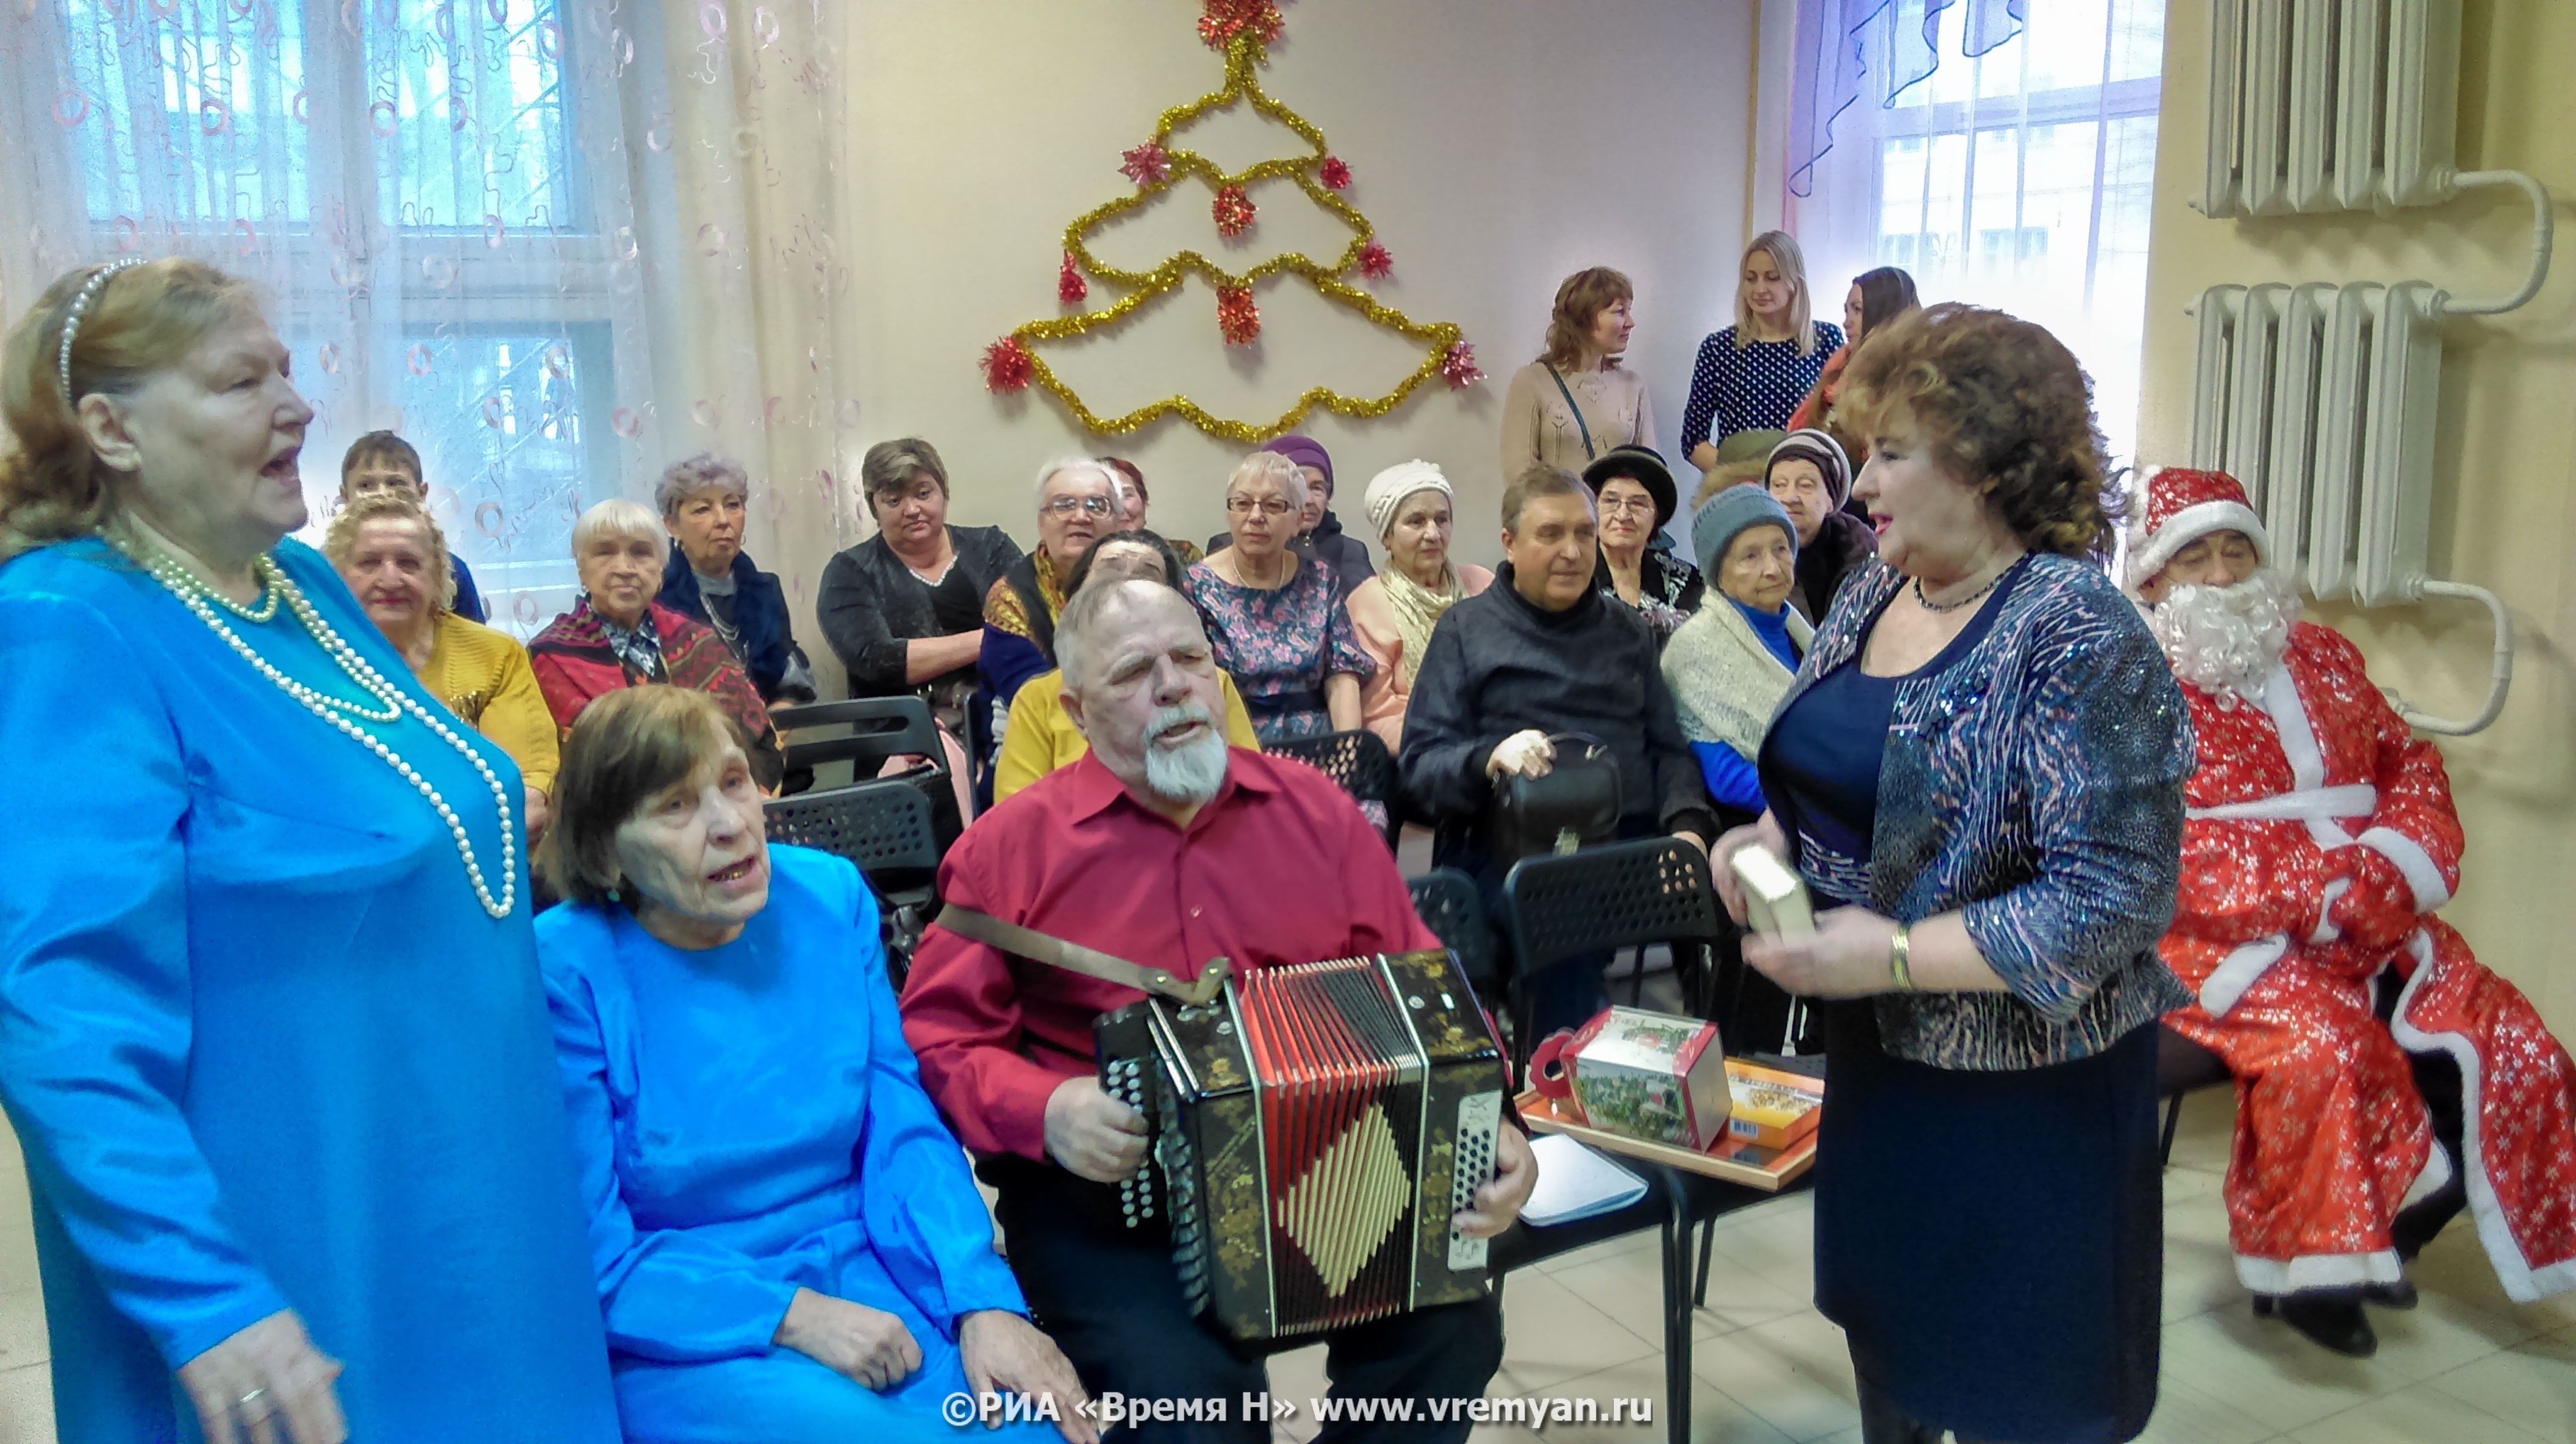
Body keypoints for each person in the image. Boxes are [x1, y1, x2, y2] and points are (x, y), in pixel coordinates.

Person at [0, 257, 619, 1442]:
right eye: (243, 380)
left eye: (286, 369)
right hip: (301, 1223)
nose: (297, 406)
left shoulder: (298, 584)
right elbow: (60, 1011)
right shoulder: (66, 622)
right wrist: (204, 1293)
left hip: (477, 1172)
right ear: (111, 427)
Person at [1710, 303, 2192, 1444]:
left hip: (2025, 1097)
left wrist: (1877, 950)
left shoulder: (2076, 633)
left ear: (1977, 464)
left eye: (1885, 451)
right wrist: (1764, 842)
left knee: (2015, 1380)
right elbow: (1822, 766)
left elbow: (2108, 898)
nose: (1855, 480)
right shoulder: (1882, 589)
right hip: (1884, 1066)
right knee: (1894, 1343)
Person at [900, 579, 1536, 1442]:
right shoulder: (1008, 852)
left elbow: (1422, 985)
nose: (1173, 686)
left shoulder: (1315, 809)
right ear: (1078, 715)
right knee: (1190, 1404)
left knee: (1452, 1337)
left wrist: (1489, 1121)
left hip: (1331, 1174)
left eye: (1192, 659)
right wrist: (1045, 1110)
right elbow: (935, 1040)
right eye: (1134, 673)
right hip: (1116, 1211)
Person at [534, 686, 1090, 1444]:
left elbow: (898, 1127)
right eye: (676, 806)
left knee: (1033, 1426)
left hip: (875, 1264)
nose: (730, 826)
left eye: (735, 783)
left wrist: (981, 1300)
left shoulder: (829, 899)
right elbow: (592, 1255)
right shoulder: (566, 967)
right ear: (605, 849)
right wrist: (790, 1317)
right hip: (696, 1317)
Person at [2128, 468, 2576, 1354]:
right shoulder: (2126, 682)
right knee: (2323, 1052)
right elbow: (2138, 838)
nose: (2222, 576)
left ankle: (2389, 1231)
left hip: (2377, 917)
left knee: (2516, 1046)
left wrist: (2389, 870)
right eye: (2195, 558)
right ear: (2151, 580)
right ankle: (2312, 1274)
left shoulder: (2326, 654)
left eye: (2236, 551)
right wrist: (2312, 894)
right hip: (2216, 936)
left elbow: (2408, 762)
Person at [1399, 463, 1714, 1037]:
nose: (1572, 551)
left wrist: (1688, 828)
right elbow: (1419, 771)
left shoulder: (1627, 630)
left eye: (1584, 534)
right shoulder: (1466, 632)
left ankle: (1688, 1072)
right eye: (1550, 534)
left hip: (1627, 846)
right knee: (1558, 921)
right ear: (1510, 543)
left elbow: (1669, 749)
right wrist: (1487, 757)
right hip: (1513, 853)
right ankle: (1575, 1085)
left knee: (1732, 902)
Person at [1659, 486, 1814, 1056]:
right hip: (1741, 836)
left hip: (1804, 825)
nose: (1773, 566)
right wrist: (1811, 804)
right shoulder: (1696, 648)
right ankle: (1740, 1081)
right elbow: (1721, 773)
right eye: (1750, 555)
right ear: (1718, 571)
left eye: (1781, 548)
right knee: (1751, 991)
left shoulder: (1803, 632)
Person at [325, 491, 560, 837]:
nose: (390, 579)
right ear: (338, 577)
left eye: (408, 563)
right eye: (369, 563)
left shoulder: (496, 656)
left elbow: (527, 793)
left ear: (437, 576)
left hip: (484, 858)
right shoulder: (309, 659)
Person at [530, 498, 784, 791]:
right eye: (605, 553)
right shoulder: (551, 655)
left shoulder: (696, 640)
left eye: (641, 553)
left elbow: (759, 741)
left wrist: (749, 798)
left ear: (661, 568)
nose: (624, 568)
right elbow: (576, 771)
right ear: (581, 569)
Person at [995, 530, 1259, 803]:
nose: (1126, 585)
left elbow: (1249, 780)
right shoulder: (1038, 698)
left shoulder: (1210, 681)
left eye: (1146, 576)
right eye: (1109, 575)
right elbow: (1019, 811)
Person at [1184, 451, 1373, 744]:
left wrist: (1347, 749)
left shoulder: (1321, 580)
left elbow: (1342, 674)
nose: (1256, 517)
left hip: (1317, 746)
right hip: (1232, 744)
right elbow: (1192, 683)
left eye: (1273, 506)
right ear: (1229, 514)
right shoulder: (1196, 585)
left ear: (1298, 521)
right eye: (1243, 504)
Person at [819, 438, 1025, 704]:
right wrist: (995, 637)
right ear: (875, 509)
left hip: (1005, 711)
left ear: (944, 494)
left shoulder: (991, 548)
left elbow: (1033, 622)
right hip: (904, 730)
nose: (912, 510)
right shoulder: (849, 571)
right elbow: (876, 659)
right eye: (893, 500)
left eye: (923, 494)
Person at [1343, 460, 1493, 752]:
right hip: (1420, 753)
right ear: (1387, 537)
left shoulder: (1482, 584)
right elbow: (1377, 714)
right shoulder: (1368, 604)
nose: (1433, 534)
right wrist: (1454, 747)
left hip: (1496, 737)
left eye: (1442, 519)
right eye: (1416, 522)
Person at [655, 452, 819, 707]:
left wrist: (777, 717)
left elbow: (790, 675)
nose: (723, 521)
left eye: (732, 505)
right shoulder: (657, 594)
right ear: (672, 525)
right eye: (703, 509)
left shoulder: (765, 589)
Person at [1680, 232, 1844, 476]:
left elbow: (1841, 427)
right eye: (1750, 278)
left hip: (1804, 487)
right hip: (1738, 489)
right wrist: (1739, 477)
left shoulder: (1826, 340)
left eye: (1772, 278)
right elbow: (1693, 440)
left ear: (1795, 283)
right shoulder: (1717, 348)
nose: (1760, 288)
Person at [982, 455, 1122, 720]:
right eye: (1064, 505)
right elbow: (1034, 700)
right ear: (1041, 522)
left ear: (1117, 522)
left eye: (1096, 505)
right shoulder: (1010, 600)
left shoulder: (1141, 582)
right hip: (1044, 734)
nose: (1081, 516)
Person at [1499, 267, 1658, 480]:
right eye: (1620, 311)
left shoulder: (1633, 386)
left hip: (1617, 513)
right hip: (1555, 512)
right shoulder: (1532, 381)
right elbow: (1519, 477)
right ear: (1585, 317)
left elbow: (1651, 472)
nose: (1631, 323)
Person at [340, 428, 487, 623]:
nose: (381, 494)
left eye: (396, 484)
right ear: (345, 496)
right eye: (366, 486)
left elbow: (475, 644)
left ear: (421, 493)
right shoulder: (323, 569)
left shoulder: (452, 572)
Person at [1788, 265, 1919, 476]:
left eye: (1857, 310)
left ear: (1884, 313)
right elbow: (1800, 432)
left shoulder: (1907, 381)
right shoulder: (1840, 367)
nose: (1846, 322)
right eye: (1847, 311)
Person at [1582, 445, 1701, 641]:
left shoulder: (1684, 580)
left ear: (1656, 515)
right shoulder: (1573, 576)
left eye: (1637, 504)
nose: (1622, 515)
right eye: (1611, 501)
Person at [1762, 428, 1875, 624]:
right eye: (1779, 485)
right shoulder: (1750, 550)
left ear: (1831, 500)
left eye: (1805, 485)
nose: (1790, 498)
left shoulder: (1862, 555)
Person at [1245, 435, 1373, 601]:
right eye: (1297, 488)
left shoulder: (1350, 552)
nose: (1309, 500)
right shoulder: (1238, 548)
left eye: (1317, 488)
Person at [1102, 456, 1200, 564]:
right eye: (1106, 498)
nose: (1119, 507)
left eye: (1127, 495)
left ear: (1143, 500)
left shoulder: (1184, 554)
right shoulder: (1083, 561)